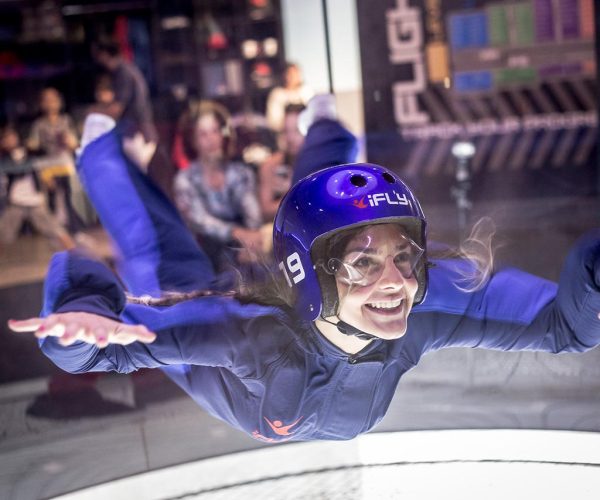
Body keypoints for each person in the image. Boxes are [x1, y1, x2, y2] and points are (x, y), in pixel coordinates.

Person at [8, 115, 600, 443]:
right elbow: (97, 348)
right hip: (224, 357)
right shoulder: (249, 335)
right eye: (364, 264)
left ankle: (327, 126)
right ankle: (100, 152)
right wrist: (83, 316)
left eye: (404, 257)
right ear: (311, 278)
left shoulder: (423, 306)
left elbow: (564, 327)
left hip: (291, 292)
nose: (395, 283)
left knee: (327, 203)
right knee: (154, 257)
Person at [172, 100, 264, 270]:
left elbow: (253, 217)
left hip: (245, 250)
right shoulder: (185, 180)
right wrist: (237, 233)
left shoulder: (241, 173)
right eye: (203, 134)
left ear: (224, 135)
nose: (211, 140)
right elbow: (200, 221)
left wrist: (250, 244)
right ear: (193, 141)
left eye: (215, 131)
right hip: (205, 257)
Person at [0, 125, 75, 252]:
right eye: (6, 139)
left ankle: (76, 253)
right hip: (15, 201)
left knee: (55, 229)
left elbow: (43, 161)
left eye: (11, 137)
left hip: (34, 200)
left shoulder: (30, 152)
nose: (9, 141)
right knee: (3, 233)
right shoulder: (4, 159)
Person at [26, 87, 84, 234]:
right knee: (51, 198)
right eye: (46, 100)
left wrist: (70, 141)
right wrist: (32, 145)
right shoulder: (39, 124)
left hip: (64, 162)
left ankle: (74, 228)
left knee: (70, 195)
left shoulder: (66, 120)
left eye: (53, 100)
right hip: (47, 164)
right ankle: (55, 230)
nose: (50, 103)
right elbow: (33, 144)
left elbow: (75, 143)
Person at [265, 62, 313, 132]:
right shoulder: (277, 94)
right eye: (290, 74)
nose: (292, 77)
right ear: (284, 75)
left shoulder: (307, 91)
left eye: (295, 74)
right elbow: (273, 122)